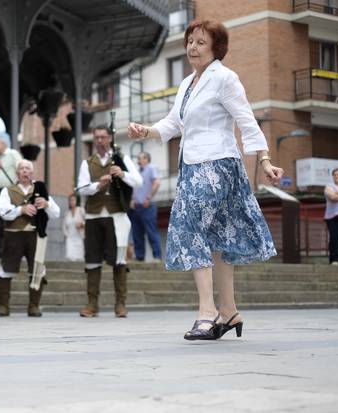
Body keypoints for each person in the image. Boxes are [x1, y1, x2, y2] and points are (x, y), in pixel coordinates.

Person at [127, 19, 283, 340]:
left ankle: (207, 312)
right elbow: (173, 123)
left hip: (217, 166)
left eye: (200, 42)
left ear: (216, 48)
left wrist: (264, 159)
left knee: (192, 228)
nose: (192, 48)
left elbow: (246, 120)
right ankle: (229, 312)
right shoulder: (187, 84)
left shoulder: (225, 78)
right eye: (190, 42)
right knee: (218, 237)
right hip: (192, 165)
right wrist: (148, 131)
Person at [76, 125, 142, 318]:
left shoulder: (122, 159)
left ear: (109, 139)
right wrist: (99, 185)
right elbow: (80, 189)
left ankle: (120, 305)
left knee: (119, 259)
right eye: (96, 137)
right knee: (92, 260)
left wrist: (122, 174)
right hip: (94, 215)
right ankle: (92, 304)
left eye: (103, 137)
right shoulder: (87, 163)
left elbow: (138, 181)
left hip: (117, 215)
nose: (99, 141)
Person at [0, 160, 60, 317]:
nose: (25, 171)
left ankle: (34, 306)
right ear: (17, 173)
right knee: (6, 269)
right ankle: (4, 306)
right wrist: (21, 210)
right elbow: (3, 212)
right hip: (13, 234)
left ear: (32, 173)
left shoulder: (40, 190)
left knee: (37, 270)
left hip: (34, 236)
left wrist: (47, 204)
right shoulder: (7, 190)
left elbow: (56, 213)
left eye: (28, 168)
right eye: (22, 168)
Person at [0, 137, 22, 258]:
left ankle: (10, 249)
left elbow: (21, 168)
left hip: (9, 191)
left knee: (9, 219)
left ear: (3, 144)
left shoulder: (13, 153)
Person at [130, 152, 162, 262]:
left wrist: (148, 197)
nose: (138, 160)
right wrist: (132, 200)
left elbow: (157, 182)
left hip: (148, 205)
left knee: (151, 232)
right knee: (136, 233)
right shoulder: (137, 172)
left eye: (140, 158)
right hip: (136, 206)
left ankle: (157, 257)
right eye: (138, 158)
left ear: (146, 159)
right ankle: (139, 257)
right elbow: (134, 187)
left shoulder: (151, 168)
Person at [62, 194, 85, 262]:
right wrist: (65, 234)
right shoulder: (67, 213)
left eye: (73, 200)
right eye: (70, 200)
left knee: (79, 257)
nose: (72, 202)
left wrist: (81, 225)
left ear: (76, 201)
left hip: (79, 237)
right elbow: (64, 225)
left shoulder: (81, 210)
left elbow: (87, 221)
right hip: (70, 238)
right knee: (70, 256)